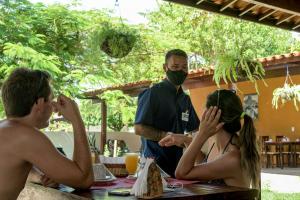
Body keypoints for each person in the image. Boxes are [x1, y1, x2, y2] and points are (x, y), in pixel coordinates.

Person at [0, 68, 94, 199]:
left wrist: (39, 176)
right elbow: (83, 180)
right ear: (39, 103)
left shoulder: (5, 129)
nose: (54, 107)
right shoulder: (26, 135)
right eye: (51, 100)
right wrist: (76, 119)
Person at [174, 89, 260, 188]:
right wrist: (186, 140)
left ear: (213, 117)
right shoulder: (217, 144)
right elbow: (204, 166)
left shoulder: (232, 158)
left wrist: (201, 134)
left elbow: (181, 173)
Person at [134, 49, 200, 177]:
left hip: (179, 167)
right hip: (153, 167)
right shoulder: (152, 94)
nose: (180, 71)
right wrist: (167, 135)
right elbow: (139, 128)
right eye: (175, 67)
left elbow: (195, 129)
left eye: (184, 67)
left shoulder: (185, 99)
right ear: (165, 67)